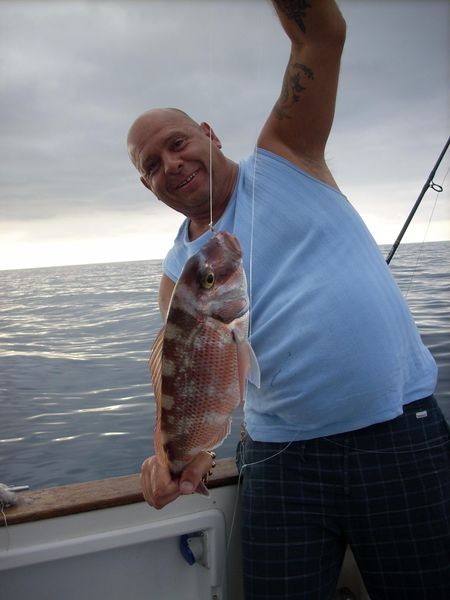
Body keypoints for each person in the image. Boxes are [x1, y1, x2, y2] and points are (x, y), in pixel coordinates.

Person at [127, 1, 450, 598]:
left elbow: (321, 35)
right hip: (280, 459)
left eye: (176, 142)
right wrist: (172, 460)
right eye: (152, 165)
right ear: (148, 185)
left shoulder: (285, 156)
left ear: (209, 133)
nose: (171, 164)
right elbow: (177, 384)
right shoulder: (177, 274)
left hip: (398, 434)